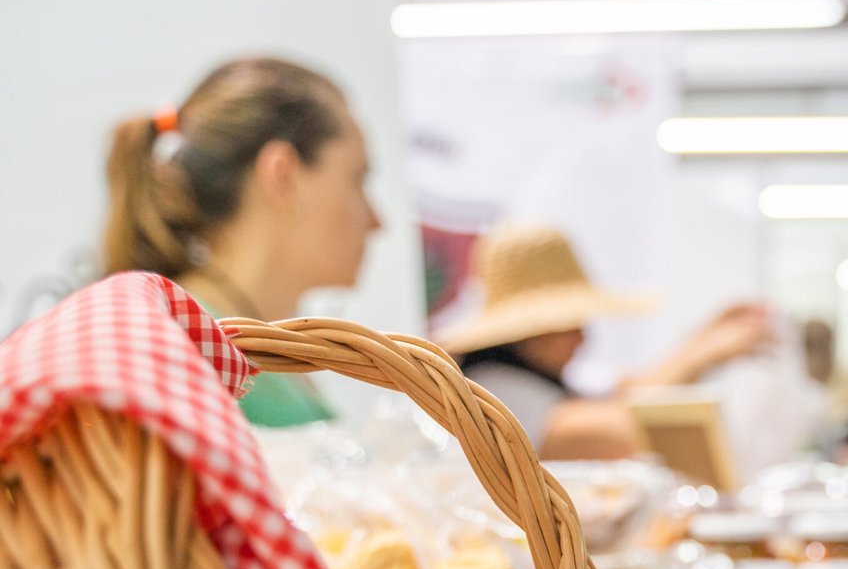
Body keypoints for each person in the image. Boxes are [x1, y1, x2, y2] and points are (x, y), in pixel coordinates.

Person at [102, 57, 382, 426]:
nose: (377, 221)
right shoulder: (192, 351)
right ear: (283, 176)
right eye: (357, 179)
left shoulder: (234, 348)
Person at [439, 225, 771, 460]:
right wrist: (701, 354)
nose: (583, 338)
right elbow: (621, 431)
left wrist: (704, 339)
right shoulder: (494, 393)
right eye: (571, 325)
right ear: (533, 333)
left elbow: (632, 390)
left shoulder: (542, 380)